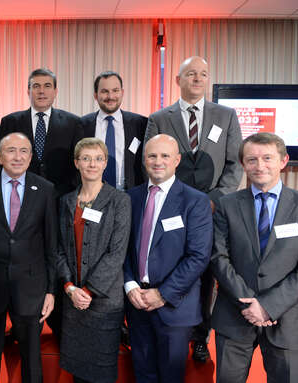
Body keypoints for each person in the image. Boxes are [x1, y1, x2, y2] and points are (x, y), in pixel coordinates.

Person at [144, 56, 243, 362]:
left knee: (208, 271)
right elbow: (149, 160)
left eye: (203, 74)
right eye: (191, 74)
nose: (198, 79)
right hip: (172, 208)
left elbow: (233, 163)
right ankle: (169, 324)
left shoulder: (225, 115)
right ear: (178, 80)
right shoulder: (160, 117)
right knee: (174, 266)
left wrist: (214, 198)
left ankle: (201, 335)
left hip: (212, 208)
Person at [211, 132, 298, 383]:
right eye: (252, 160)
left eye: (267, 158)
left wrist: (267, 306)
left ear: (283, 161)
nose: (260, 166)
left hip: (287, 320)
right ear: (243, 165)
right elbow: (218, 257)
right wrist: (249, 304)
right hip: (234, 317)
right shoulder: (227, 205)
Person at [124, 134, 212, 383]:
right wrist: (130, 285)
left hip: (174, 306)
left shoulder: (195, 201)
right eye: (152, 155)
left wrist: (162, 294)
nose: (158, 161)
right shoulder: (131, 198)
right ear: (144, 160)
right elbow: (122, 249)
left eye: (165, 156)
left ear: (177, 160)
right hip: (137, 303)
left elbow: (198, 256)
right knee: (143, 374)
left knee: (171, 376)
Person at [0, 132, 57, 383]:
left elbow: (51, 243)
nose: (17, 157)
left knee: (32, 359)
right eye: (11, 150)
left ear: (31, 157)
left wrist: (51, 290)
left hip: (32, 287)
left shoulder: (45, 189)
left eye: (23, 151)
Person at [56, 137, 131, 383]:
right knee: (78, 370)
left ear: (106, 163)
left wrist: (87, 291)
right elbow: (58, 248)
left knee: (101, 369)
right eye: (86, 158)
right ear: (76, 163)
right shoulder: (66, 201)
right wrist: (69, 287)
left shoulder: (120, 201)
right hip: (72, 300)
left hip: (103, 301)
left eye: (98, 159)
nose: (92, 164)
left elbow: (116, 253)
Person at [0, 68, 83, 196]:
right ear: (28, 91)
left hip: (61, 196)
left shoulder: (73, 123)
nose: (41, 91)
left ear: (55, 92)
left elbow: (79, 163)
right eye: (36, 86)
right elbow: (2, 162)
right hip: (20, 195)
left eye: (47, 86)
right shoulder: (10, 122)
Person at [81, 71, 147, 190]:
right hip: (93, 196)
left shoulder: (141, 124)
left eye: (115, 90)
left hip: (130, 195)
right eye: (104, 91)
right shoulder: (81, 125)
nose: (110, 96)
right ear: (95, 95)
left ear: (122, 93)